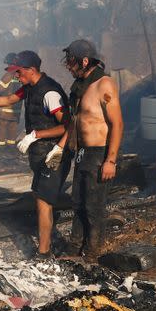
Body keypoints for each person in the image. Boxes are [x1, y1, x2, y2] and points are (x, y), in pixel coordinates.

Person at [0, 50, 69, 258]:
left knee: (43, 201)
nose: (16, 76)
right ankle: (48, 243)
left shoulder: (50, 93)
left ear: (31, 70)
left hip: (54, 154)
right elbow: (8, 99)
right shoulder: (29, 88)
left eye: (18, 72)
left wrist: (36, 135)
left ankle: (44, 251)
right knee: (40, 197)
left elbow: (68, 126)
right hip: (40, 154)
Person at [60, 39, 123, 257]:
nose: (68, 66)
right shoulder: (80, 87)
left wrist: (110, 160)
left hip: (100, 153)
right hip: (83, 153)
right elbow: (76, 122)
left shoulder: (104, 84)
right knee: (77, 202)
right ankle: (75, 247)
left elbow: (117, 123)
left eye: (71, 62)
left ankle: (93, 251)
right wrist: (60, 149)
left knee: (93, 206)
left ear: (84, 61)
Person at [0, 52, 22, 147]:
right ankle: (10, 150)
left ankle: (1, 150)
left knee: (2, 131)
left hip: (5, 111)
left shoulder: (9, 74)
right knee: (12, 133)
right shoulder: (21, 75)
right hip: (16, 112)